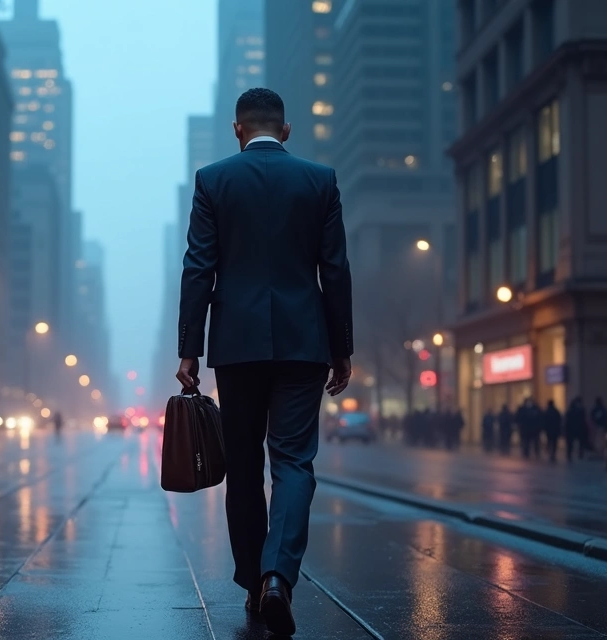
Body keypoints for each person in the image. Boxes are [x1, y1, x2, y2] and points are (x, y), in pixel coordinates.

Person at [175, 88, 353, 638]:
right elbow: (335, 269)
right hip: (304, 344)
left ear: (237, 130)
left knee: (245, 468)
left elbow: (199, 267)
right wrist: (341, 346)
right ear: (287, 129)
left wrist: (190, 348)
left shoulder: (213, 180)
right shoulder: (320, 180)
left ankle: (254, 582)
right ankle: (280, 577)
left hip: (237, 345)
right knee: (295, 463)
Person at [565, 397, 588, 461]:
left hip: (578, 429)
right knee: (571, 443)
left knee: (578, 443)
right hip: (573, 429)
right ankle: (571, 454)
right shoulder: (573, 411)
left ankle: (578, 454)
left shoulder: (580, 410)